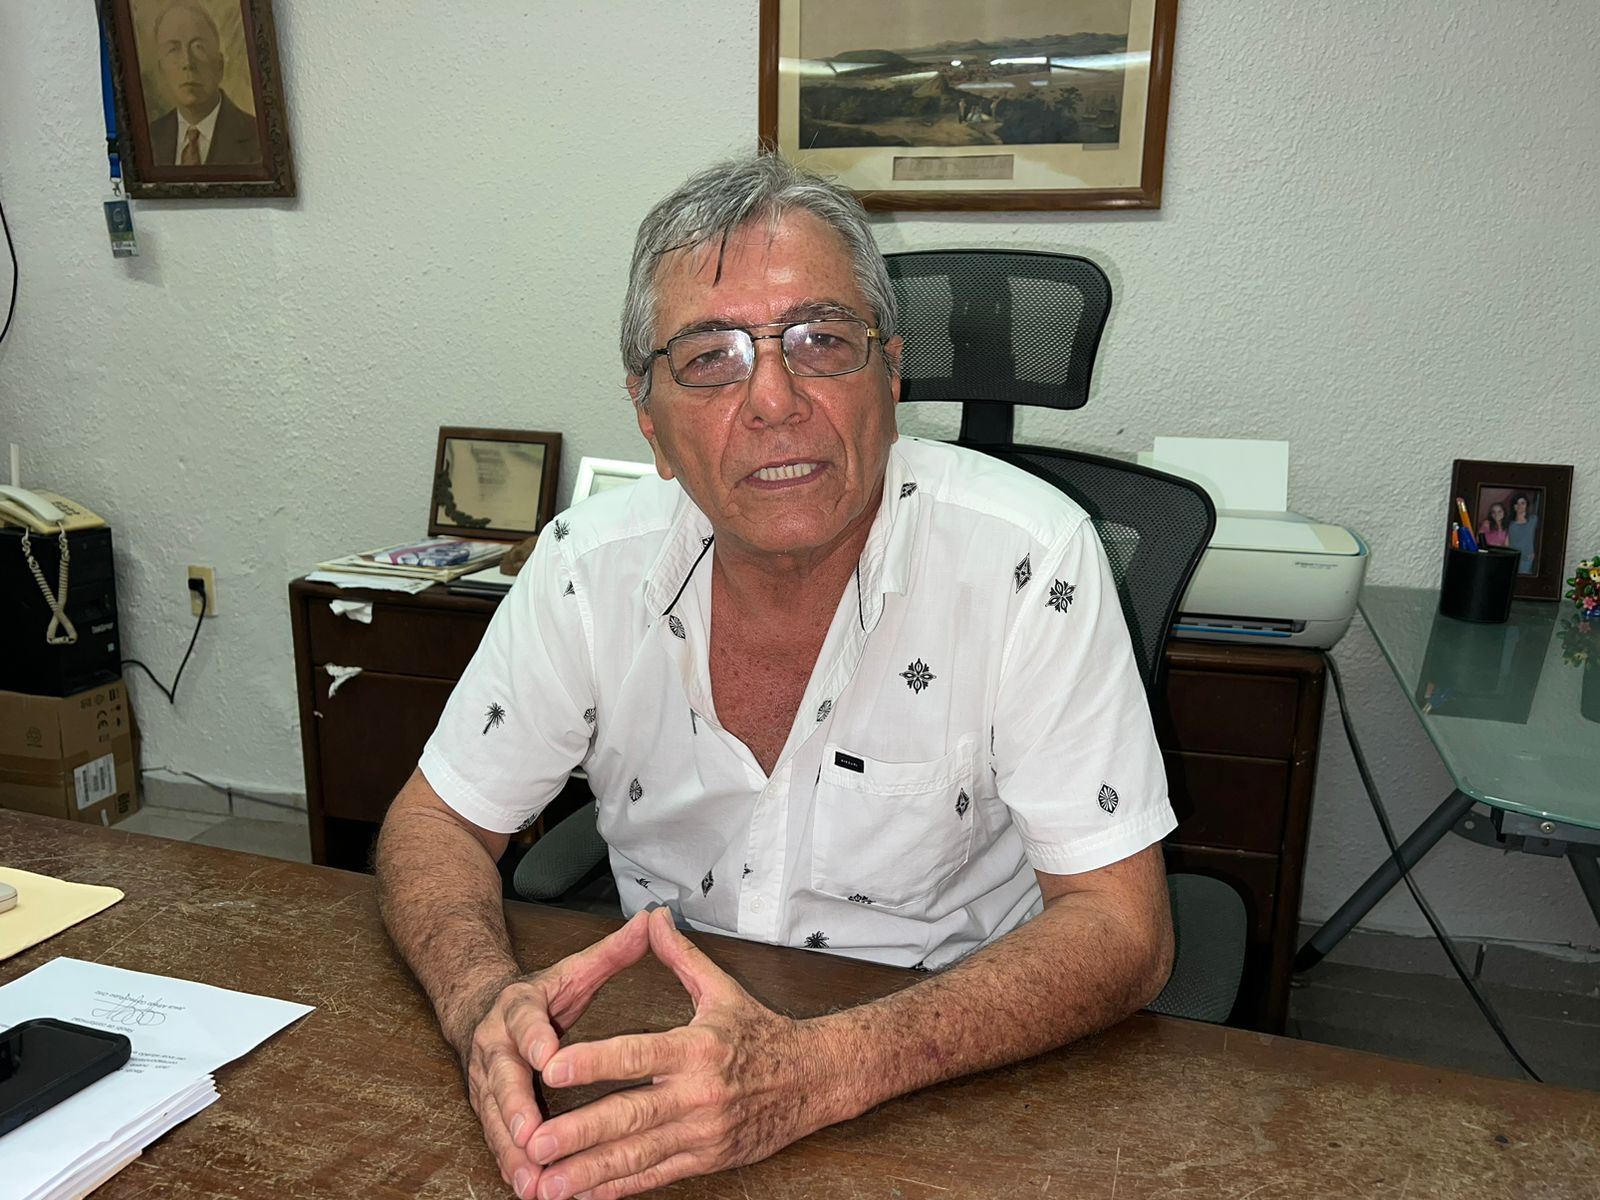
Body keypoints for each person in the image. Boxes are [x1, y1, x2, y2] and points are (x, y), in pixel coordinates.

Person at [376, 153, 1176, 1200]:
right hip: (656, 1060)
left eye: (821, 341)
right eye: (708, 358)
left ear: (890, 375)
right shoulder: (586, 569)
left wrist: (820, 1070)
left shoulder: (1030, 558)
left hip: (948, 1077)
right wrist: (481, 1001)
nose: (772, 399)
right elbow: (435, 820)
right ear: (651, 421)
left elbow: (1122, 925)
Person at [145, 2, 261, 167]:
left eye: (198, 47)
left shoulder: (257, 137)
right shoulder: (148, 139)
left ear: (219, 66)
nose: (187, 62)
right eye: (173, 49)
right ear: (161, 69)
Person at [1506, 492, 1538, 573]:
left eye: (1522, 503)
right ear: (1514, 506)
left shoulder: (1534, 520)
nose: (1520, 506)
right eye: (1517, 503)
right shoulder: (1509, 523)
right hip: (1513, 559)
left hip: (1528, 560)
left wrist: (1535, 552)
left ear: (1527, 504)